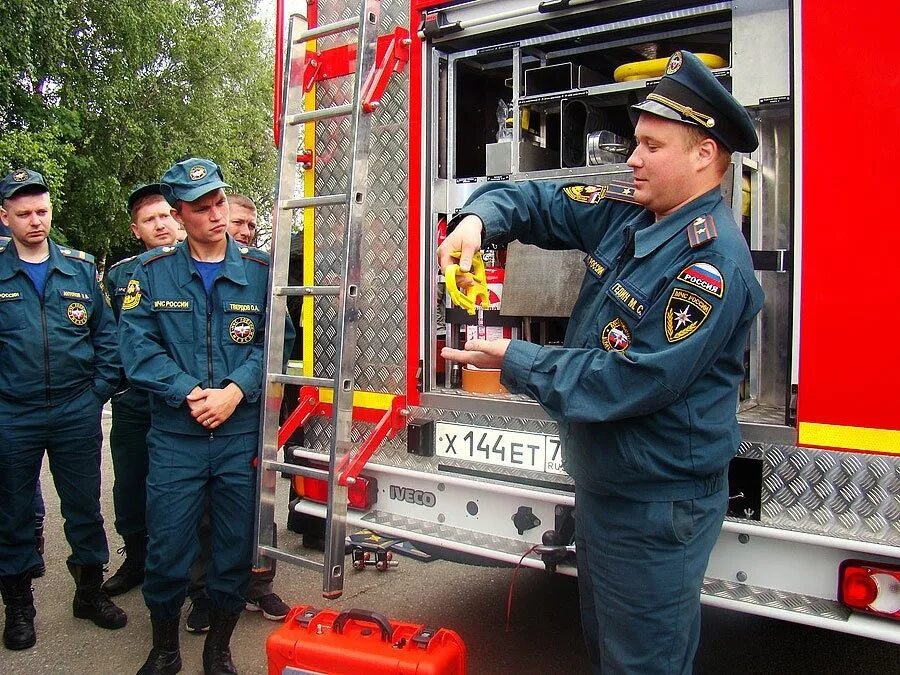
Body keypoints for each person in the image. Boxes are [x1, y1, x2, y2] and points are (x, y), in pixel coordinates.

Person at [437, 51, 765, 674]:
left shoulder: (710, 263)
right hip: (614, 490)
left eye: (650, 144)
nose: (632, 158)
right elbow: (541, 202)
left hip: (655, 507)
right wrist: (478, 220)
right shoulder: (635, 213)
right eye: (635, 142)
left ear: (705, 155)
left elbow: (630, 379)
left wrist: (517, 358)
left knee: (639, 664)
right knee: (607, 648)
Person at [118, 158, 293, 675]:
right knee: (168, 547)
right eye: (202, 208)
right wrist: (190, 391)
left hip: (239, 432)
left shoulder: (263, 273)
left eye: (220, 202)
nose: (217, 214)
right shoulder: (149, 275)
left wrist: (237, 390)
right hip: (177, 433)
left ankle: (219, 647)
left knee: (235, 549)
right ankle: (165, 648)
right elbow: (138, 350)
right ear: (178, 214)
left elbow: (276, 347)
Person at [0, 168, 127, 652]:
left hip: (76, 407)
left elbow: (105, 333)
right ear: (4, 217)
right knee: (12, 510)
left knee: (83, 508)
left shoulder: (78, 267)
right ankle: (19, 606)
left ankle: (88, 594)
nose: (35, 221)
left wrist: (98, 391)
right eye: (24, 213)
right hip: (14, 412)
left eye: (42, 211)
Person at [184, 192, 289, 635]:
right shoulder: (188, 272)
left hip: (254, 410)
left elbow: (279, 341)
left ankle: (258, 583)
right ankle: (204, 594)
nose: (245, 232)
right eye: (238, 224)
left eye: (250, 225)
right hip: (201, 413)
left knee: (258, 501)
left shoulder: (264, 272)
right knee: (205, 511)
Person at [100, 184, 179, 598]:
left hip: (180, 398)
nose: (160, 224)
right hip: (135, 400)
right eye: (150, 219)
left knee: (181, 490)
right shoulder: (121, 274)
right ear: (137, 230)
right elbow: (118, 338)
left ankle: (184, 570)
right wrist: (108, 385)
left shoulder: (196, 264)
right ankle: (135, 558)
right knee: (130, 484)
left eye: (166, 214)